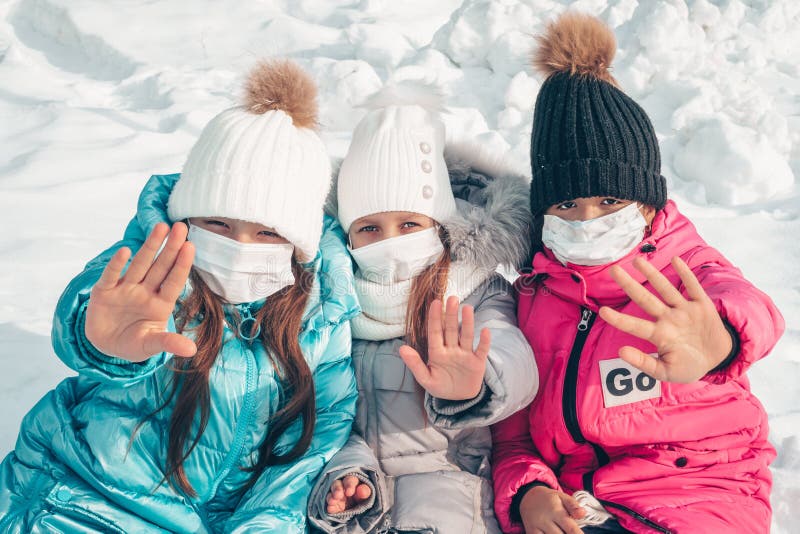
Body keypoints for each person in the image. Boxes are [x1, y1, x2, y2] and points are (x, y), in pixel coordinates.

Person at [0, 59, 359, 533]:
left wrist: (266, 524)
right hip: (86, 495)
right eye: (218, 223)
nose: (239, 246)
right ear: (186, 217)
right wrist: (104, 345)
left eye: (268, 233)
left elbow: (318, 431)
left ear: (299, 245)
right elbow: (95, 309)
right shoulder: (156, 269)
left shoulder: (319, 313)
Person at [491, 12, 785, 534]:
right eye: (566, 204)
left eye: (610, 199)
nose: (588, 220)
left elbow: (748, 308)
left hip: (704, 490)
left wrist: (716, 340)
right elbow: (515, 438)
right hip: (583, 504)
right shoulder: (533, 298)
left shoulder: (684, 265)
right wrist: (530, 491)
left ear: (647, 203)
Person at [306, 84, 538, 533]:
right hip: (357, 506)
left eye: (409, 223)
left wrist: (475, 384)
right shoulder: (334, 300)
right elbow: (323, 412)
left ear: (440, 225)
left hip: (455, 498)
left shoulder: (473, 288)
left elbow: (515, 357)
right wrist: (348, 471)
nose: (390, 241)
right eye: (370, 227)